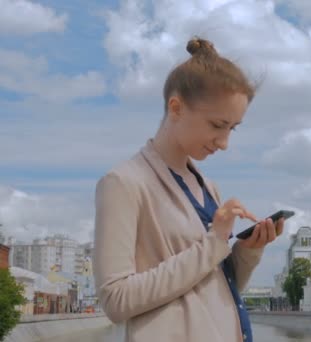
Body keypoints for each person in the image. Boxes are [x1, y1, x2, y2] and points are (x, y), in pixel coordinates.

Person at [93, 37, 283, 342]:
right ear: (176, 107)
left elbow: (213, 291)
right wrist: (214, 242)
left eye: (232, 128)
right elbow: (116, 300)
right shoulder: (122, 183)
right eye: (217, 125)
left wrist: (247, 252)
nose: (224, 143)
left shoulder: (208, 187)